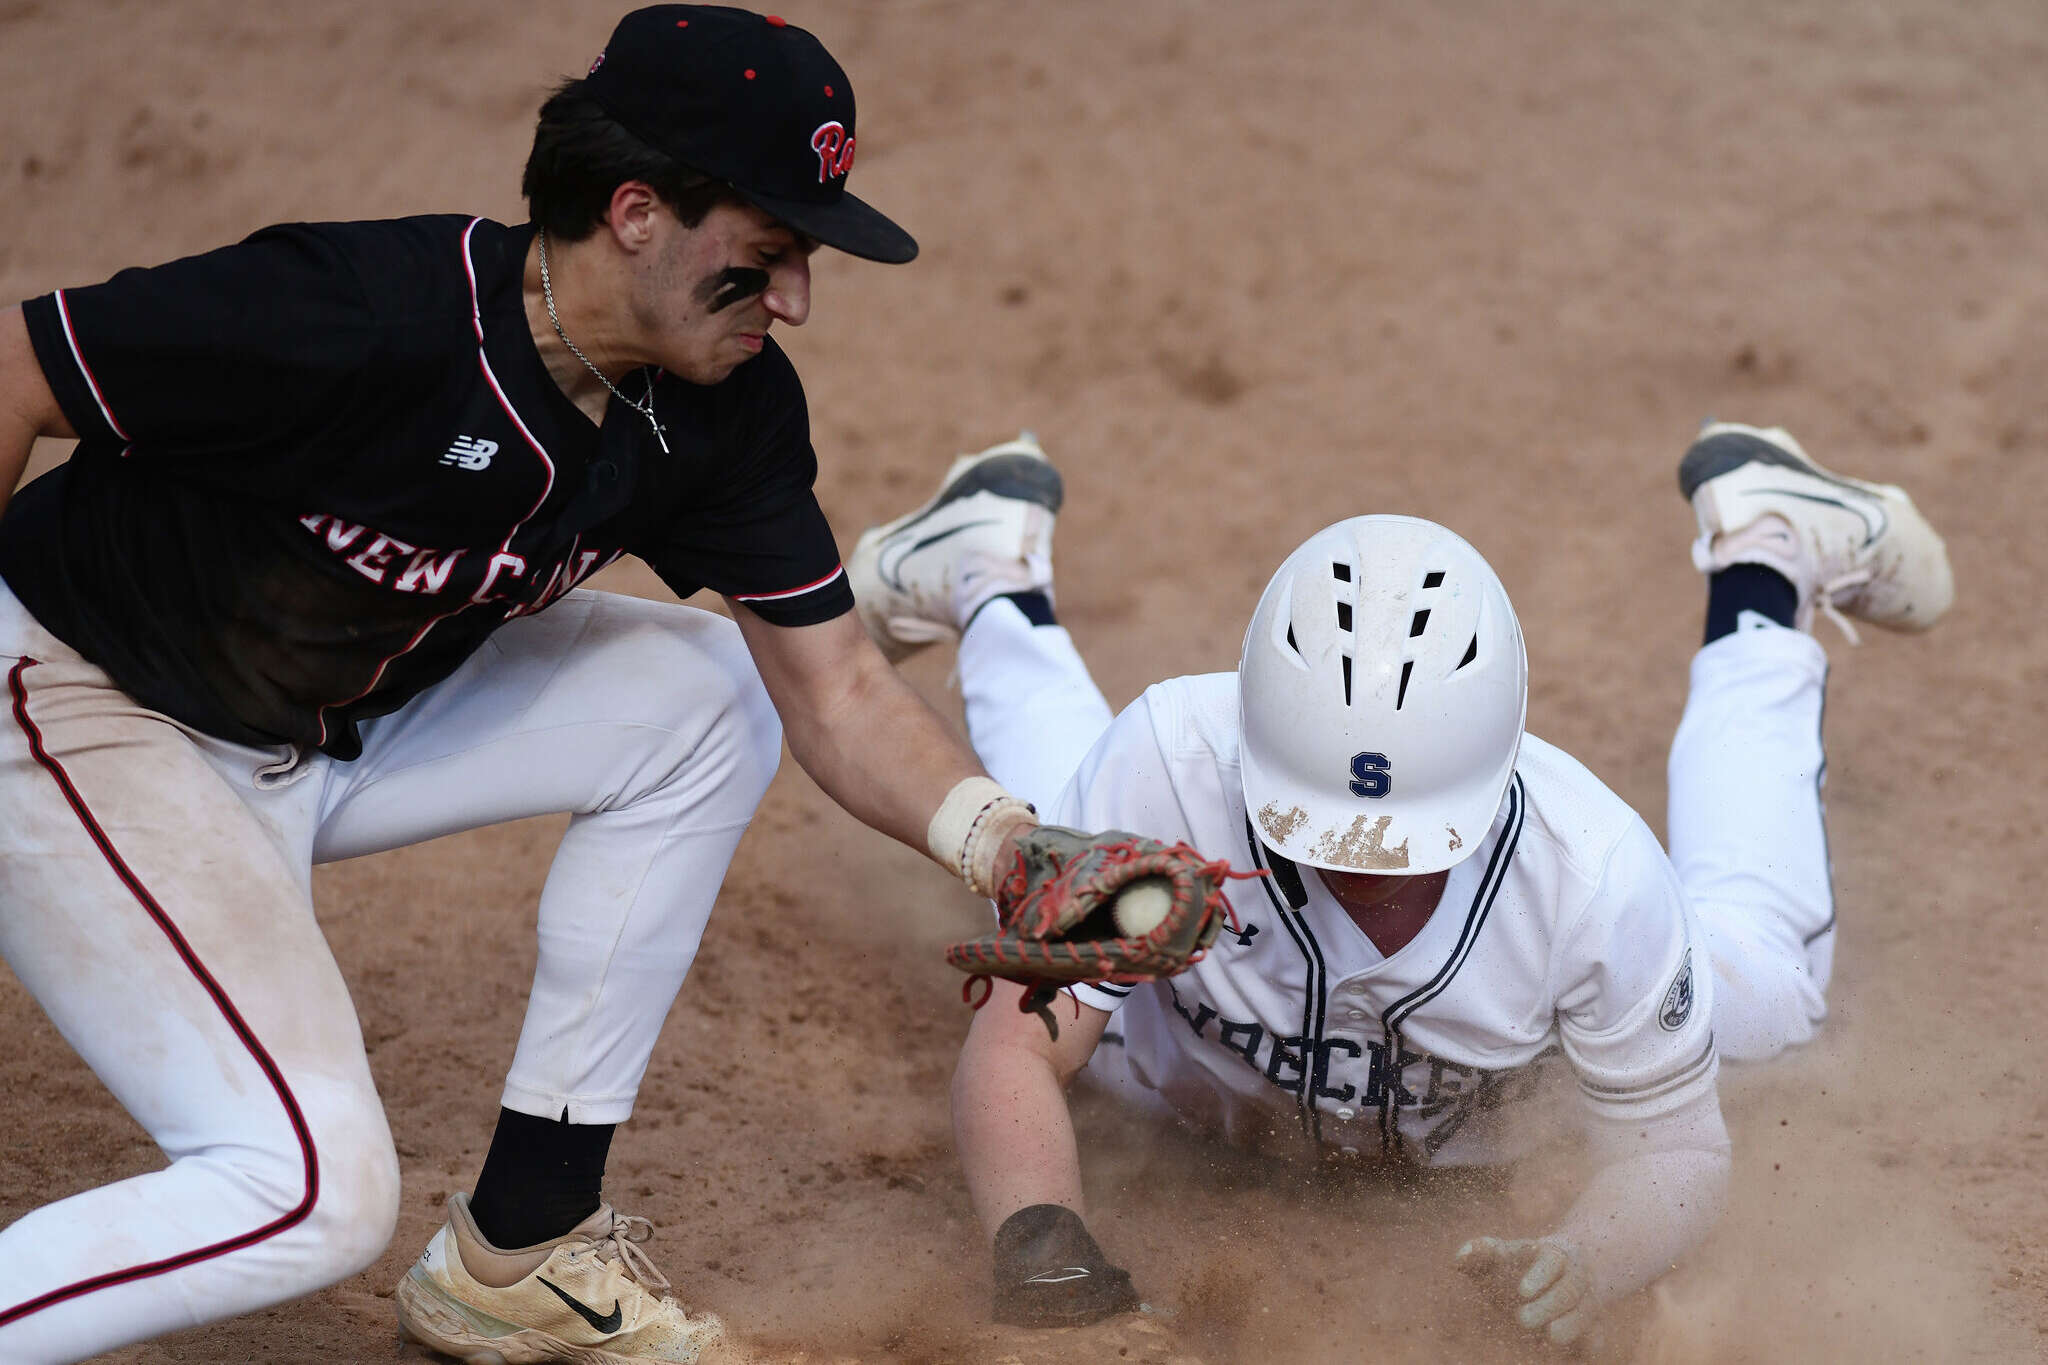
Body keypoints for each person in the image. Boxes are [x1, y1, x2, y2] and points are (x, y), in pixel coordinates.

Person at [0, 9, 1144, 1363]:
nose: (794, 302)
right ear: (639, 211)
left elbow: (834, 687)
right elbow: (18, 367)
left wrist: (1013, 850)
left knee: (711, 695)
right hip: (85, 700)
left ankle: (520, 1248)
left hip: (327, 733)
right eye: (766, 256)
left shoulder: (723, 407)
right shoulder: (365, 310)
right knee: (306, 1188)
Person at [849, 423, 1954, 1347]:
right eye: (1323, 831)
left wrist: (1588, 1254)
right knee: (1069, 827)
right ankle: (987, 567)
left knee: (1762, 988)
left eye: (1409, 840)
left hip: (1516, 1107)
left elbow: (1674, 1150)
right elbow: (1017, 1044)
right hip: (1180, 1096)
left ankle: (1765, 559)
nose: (1366, 869)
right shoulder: (1174, 767)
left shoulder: (1592, 879)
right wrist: (1039, 1244)